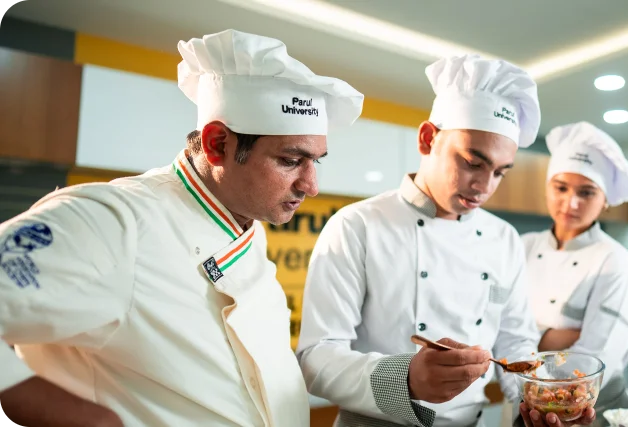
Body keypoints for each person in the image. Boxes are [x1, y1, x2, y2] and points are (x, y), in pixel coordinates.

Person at [0, 29, 363, 427]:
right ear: (217, 144)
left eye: (316, 161)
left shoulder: (247, 226)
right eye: (290, 161)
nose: (311, 185)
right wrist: (83, 417)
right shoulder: (114, 221)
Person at [296, 54, 596, 427]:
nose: (484, 187)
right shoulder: (357, 225)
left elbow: (515, 342)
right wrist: (406, 379)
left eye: (500, 172)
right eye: (473, 163)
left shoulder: (503, 238)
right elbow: (316, 358)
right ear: (428, 139)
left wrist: (539, 400)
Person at [518, 121, 628, 426]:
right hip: (527, 405)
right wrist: (552, 338)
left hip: (592, 411)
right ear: (547, 186)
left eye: (586, 192)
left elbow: (597, 356)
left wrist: (531, 340)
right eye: (560, 187)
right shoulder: (522, 246)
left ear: (605, 201)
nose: (570, 203)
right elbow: (498, 332)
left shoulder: (614, 259)